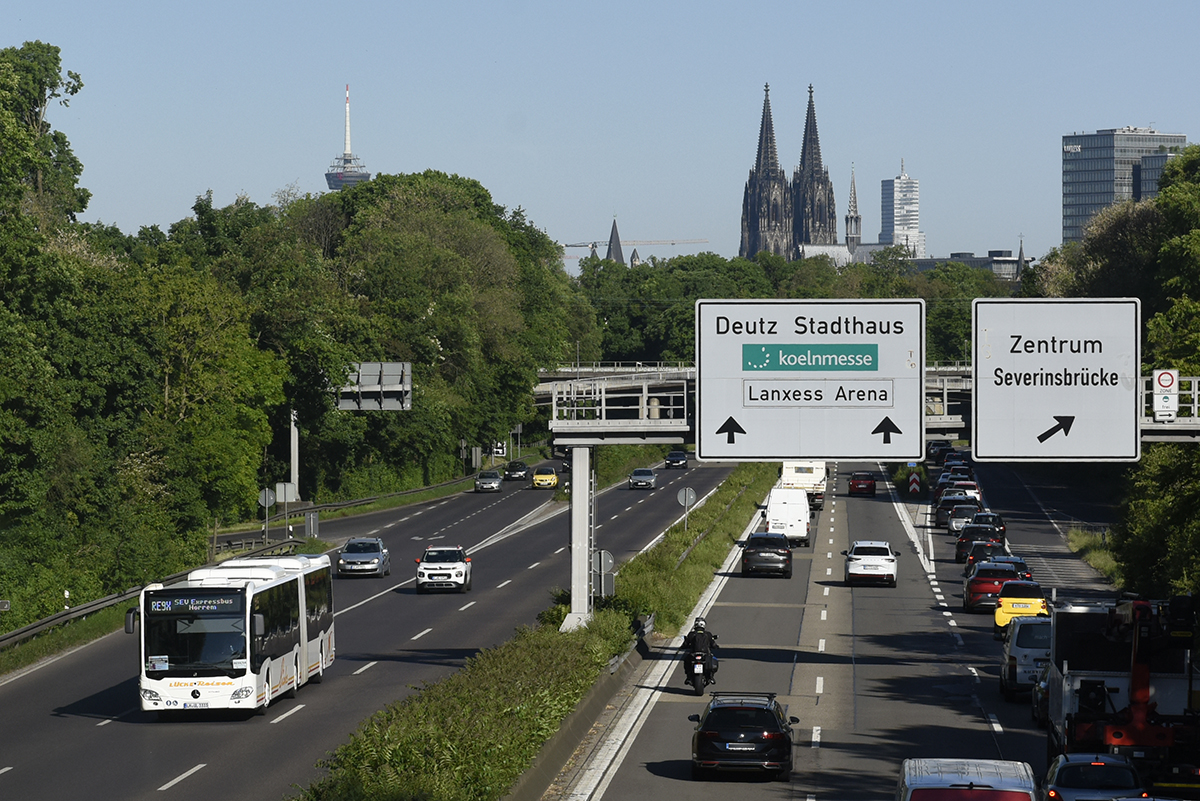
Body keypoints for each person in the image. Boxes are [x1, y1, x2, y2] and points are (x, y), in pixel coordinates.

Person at [682, 617, 718, 682]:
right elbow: (713, 645)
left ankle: (688, 677)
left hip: (693, 654)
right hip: (705, 654)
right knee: (713, 660)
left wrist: (683, 647)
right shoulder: (708, 634)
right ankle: (711, 677)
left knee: (686, 661)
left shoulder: (691, 634)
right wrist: (716, 647)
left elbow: (685, 644)